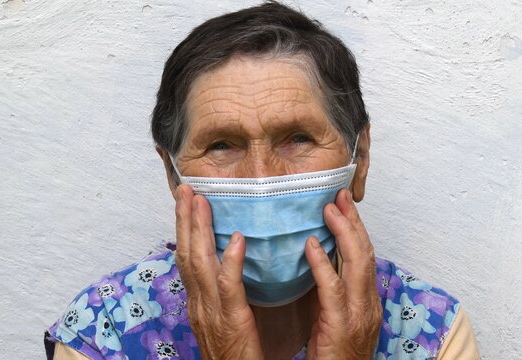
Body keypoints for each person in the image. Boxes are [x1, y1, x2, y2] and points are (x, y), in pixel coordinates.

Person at [45, 2, 480, 359]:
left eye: (298, 138)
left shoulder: (430, 329)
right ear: (172, 174)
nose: (262, 180)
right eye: (221, 145)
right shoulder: (106, 332)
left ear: (359, 158)